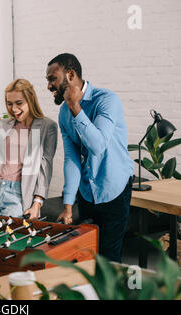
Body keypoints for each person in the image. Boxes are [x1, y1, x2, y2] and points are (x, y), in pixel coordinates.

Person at [46, 53, 134, 262]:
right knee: (86, 255)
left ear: (70, 74)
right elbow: (72, 158)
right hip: (86, 193)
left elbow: (98, 145)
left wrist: (75, 107)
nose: (49, 86)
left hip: (114, 188)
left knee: (109, 258)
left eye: (52, 79)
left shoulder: (106, 100)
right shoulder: (63, 113)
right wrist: (68, 205)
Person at [0, 79, 58, 219]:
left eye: (19, 103)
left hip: (18, 194)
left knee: (9, 237)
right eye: (10, 104)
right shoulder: (3, 124)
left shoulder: (48, 126)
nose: (14, 109)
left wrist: (37, 203)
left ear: (31, 99)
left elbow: (45, 167)